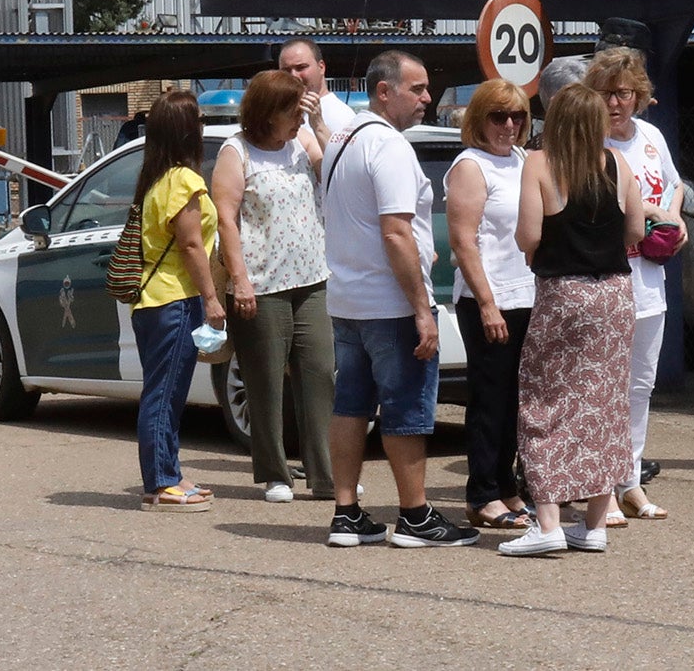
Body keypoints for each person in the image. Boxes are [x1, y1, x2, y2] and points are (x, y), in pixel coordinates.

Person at [321, 50, 479, 548]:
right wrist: (419, 308)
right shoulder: (386, 146)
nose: (427, 99)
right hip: (389, 305)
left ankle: (346, 512)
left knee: (351, 406)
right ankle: (414, 515)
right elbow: (394, 232)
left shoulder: (342, 138)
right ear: (384, 91)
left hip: (348, 299)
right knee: (406, 408)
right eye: (418, 89)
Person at [499, 83, 655, 556]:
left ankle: (546, 522)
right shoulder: (617, 164)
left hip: (564, 293)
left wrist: (538, 249)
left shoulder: (540, 165)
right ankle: (594, 524)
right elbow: (634, 230)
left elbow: (528, 235)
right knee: (606, 402)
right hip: (615, 293)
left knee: (545, 400)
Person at [211, 70, 335, 504]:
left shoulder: (301, 143)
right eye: (292, 111)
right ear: (267, 113)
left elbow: (332, 174)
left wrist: (318, 125)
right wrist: (240, 280)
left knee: (319, 374)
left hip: (311, 277)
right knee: (264, 382)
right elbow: (225, 217)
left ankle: (325, 474)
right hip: (262, 284)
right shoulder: (236, 151)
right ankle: (275, 473)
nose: (298, 119)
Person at [585, 47, 684, 524]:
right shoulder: (586, 145)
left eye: (624, 93)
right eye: (606, 93)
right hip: (607, 276)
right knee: (604, 385)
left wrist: (676, 218)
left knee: (640, 384)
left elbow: (674, 184)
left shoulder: (651, 136)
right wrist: (650, 213)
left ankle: (630, 480)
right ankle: (600, 487)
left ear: (639, 95)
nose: (615, 103)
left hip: (649, 279)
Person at [444, 79, 535, 531]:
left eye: (517, 116)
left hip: (527, 294)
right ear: (480, 120)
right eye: (499, 116)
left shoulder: (521, 160)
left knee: (516, 400)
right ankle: (481, 492)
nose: (510, 125)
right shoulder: (470, 166)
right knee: (490, 397)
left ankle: (506, 485)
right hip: (489, 297)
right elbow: (463, 241)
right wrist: (487, 303)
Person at [131, 91, 226, 512]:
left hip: (154, 302)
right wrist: (211, 299)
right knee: (164, 394)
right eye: (199, 120)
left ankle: (169, 471)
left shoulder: (155, 180)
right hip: (175, 300)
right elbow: (190, 245)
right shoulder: (185, 181)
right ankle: (160, 482)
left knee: (167, 393)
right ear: (189, 131)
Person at [279, 38, 356, 142]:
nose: (294, 76)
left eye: (301, 67)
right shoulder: (280, 114)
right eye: (286, 70)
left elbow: (344, 158)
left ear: (321, 67)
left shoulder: (341, 117)